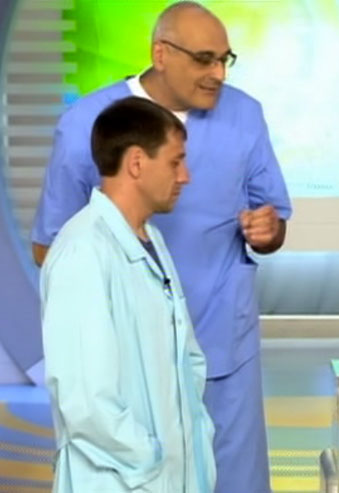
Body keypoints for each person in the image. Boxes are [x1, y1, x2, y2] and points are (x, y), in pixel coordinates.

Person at [32, 3, 291, 492]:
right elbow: (53, 251)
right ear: (161, 54)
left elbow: (274, 216)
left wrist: (269, 229)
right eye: (204, 59)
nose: (218, 73)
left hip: (221, 345)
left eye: (225, 60)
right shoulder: (86, 125)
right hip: (131, 368)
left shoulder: (244, 116)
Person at [41, 96, 215, 493]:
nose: (185, 176)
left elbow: (187, 362)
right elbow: (86, 401)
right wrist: (148, 460)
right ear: (137, 163)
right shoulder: (82, 252)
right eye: (175, 162)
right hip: (125, 481)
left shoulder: (151, 241)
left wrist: (197, 443)